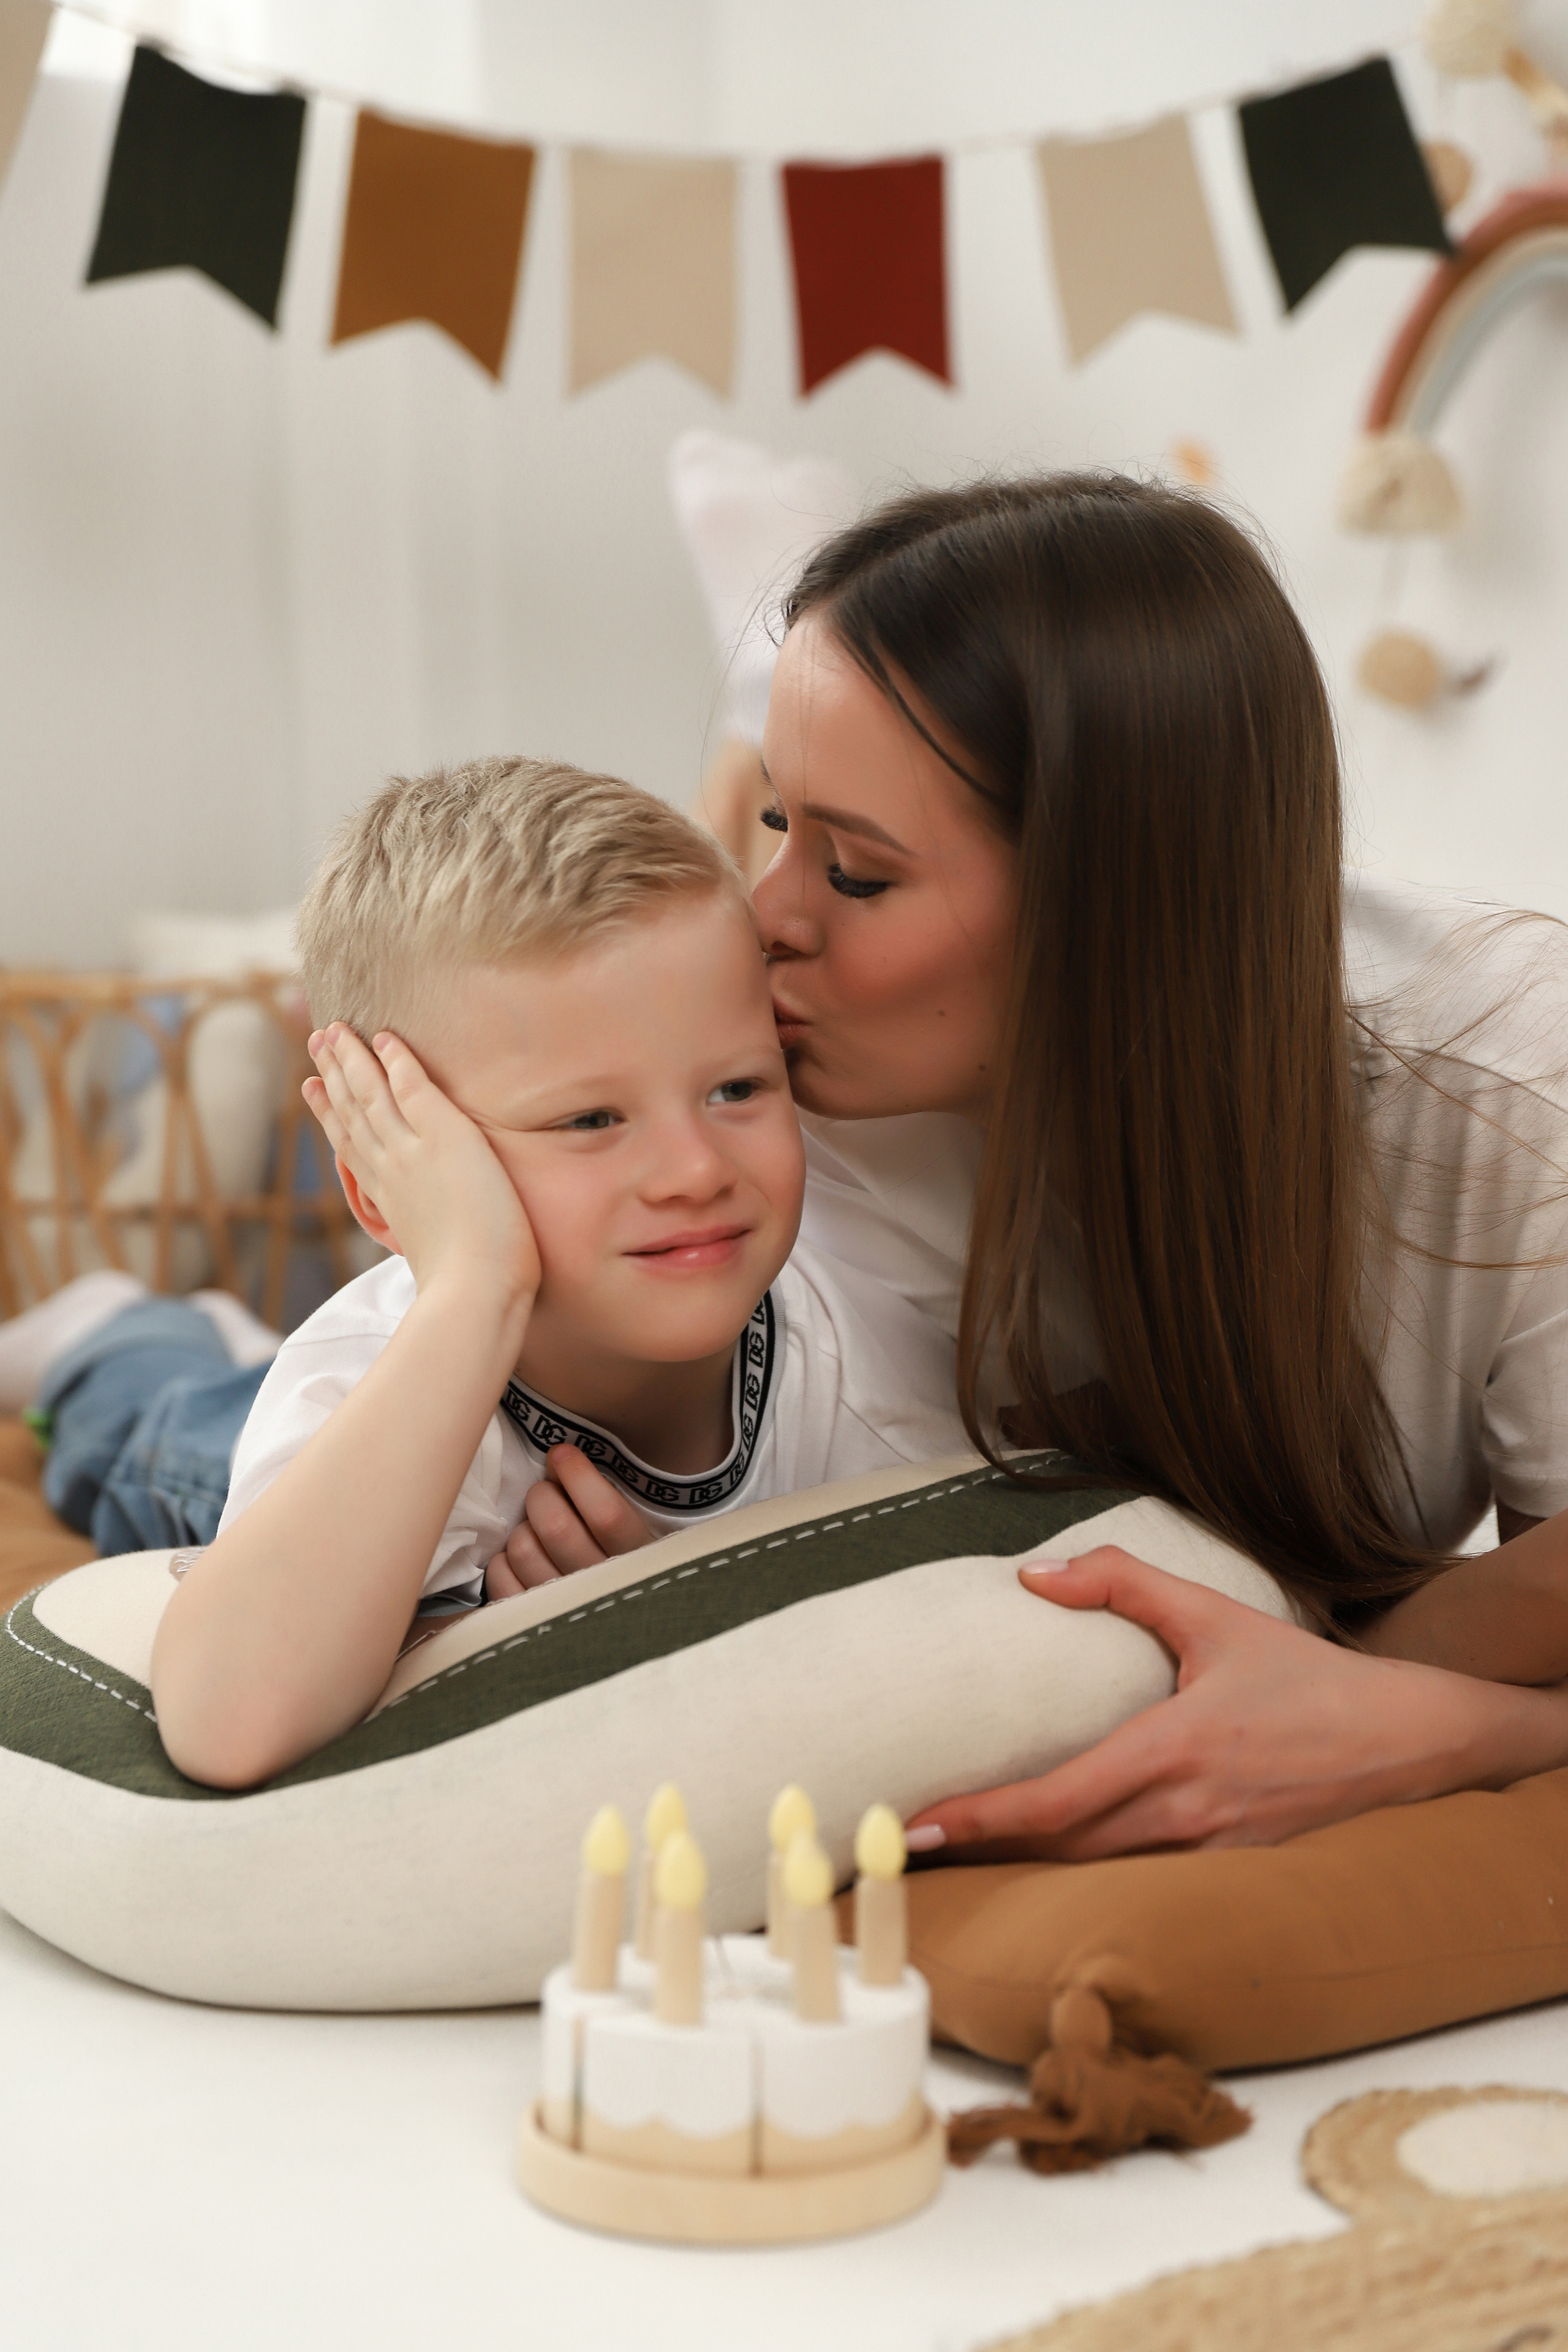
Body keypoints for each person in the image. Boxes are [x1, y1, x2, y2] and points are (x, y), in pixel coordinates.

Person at [522, 469, 1568, 1856]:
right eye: (777, 823)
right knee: (181, 1423)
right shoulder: (780, 1101)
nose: (760, 918)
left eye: (855, 872)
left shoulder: (1501, 1081)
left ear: (1109, 900)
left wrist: (1418, 1718)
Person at [148, 757, 968, 1789]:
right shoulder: (367, 1374)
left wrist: (661, 1615)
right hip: (220, 1450)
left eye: (736, 1088)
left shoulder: (868, 1369)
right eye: (590, 1119)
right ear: (392, 1190)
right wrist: (473, 1287)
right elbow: (228, 1721)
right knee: (153, 1429)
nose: (694, 1171)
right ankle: (113, 1333)